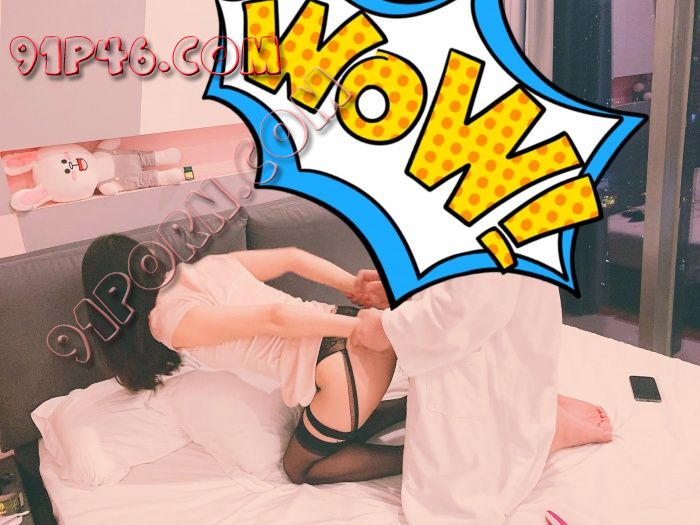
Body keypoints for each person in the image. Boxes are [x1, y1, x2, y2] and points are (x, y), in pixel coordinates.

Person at [81, 234, 406, 485]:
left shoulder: (165, 320)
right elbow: (292, 257)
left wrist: (363, 330)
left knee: (298, 469)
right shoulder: (202, 268)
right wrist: (356, 289)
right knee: (327, 429)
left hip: (345, 370)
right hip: (353, 337)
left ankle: (410, 457)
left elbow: (275, 318)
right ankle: (403, 408)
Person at [350, 270, 613, 524]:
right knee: (513, 371)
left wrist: (388, 328)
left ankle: (538, 427)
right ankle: (537, 415)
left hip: (477, 342)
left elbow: (465, 308)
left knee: (452, 506)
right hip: (497, 320)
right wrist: (410, 287)